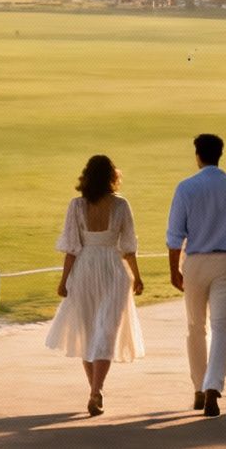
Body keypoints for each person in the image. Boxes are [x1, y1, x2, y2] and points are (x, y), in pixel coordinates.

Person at [167, 132, 226, 417]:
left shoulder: (186, 188)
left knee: (196, 327)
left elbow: (174, 236)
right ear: (220, 154)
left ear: (198, 156)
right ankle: (212, 386)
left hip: (195, 262)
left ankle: (199, 386)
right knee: (222, 327)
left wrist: (174, 270)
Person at [45, 155, 145, 416]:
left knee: (89, 332)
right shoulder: (121, 206)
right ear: (113, 176)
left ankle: (95, 390)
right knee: (105, 332)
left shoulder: (77, 206)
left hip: (85, 269)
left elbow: (71, 248)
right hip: (113, 269)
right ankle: (95, 390)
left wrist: (64, 280)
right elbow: (128, 247)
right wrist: (137, 276)